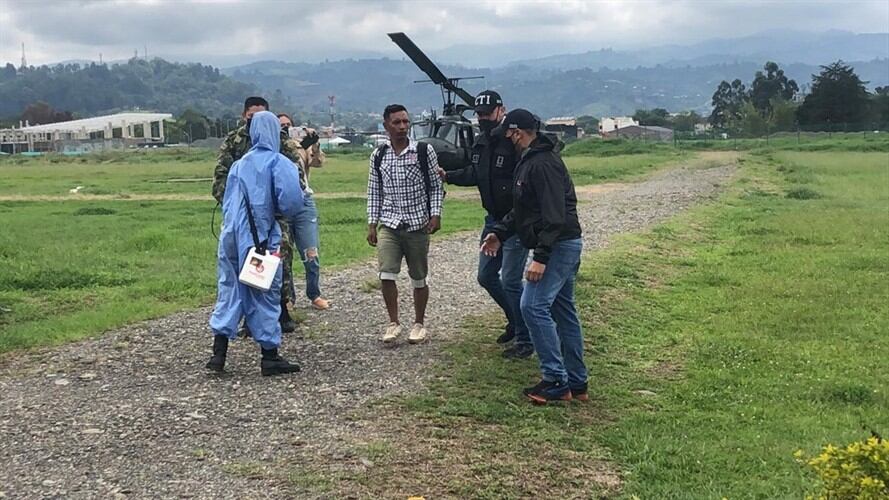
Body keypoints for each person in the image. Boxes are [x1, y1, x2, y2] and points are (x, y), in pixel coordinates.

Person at [481, 109, 587, 404]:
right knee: (562, 310)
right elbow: (524, 209)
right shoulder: (531, 161)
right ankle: (577, 382)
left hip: (558, 245)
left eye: (508, 134)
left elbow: (554, 216)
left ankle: (556, 380)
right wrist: (500, 233)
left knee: (532, 306)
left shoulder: (542, 164)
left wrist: (541, 257)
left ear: (517, 133)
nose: (506, 140)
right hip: (561, 244)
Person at [206, 111, 305, 376]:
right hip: (261, 238)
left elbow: (227, 201)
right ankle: (269, 356)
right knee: (265, 293)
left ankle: (218, 353)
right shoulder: (280, 163)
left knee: (229, 290)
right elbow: (292, 203)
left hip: (230, 237)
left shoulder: (239, 165)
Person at [438, 90, 533, 359]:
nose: (483, 118)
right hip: (492, 220)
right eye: (479, 114)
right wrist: (448, 176)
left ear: (501, 111)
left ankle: (526, 338)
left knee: (511, 280)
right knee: (486, 276)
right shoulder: (481, 141)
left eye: (487, 113)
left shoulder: (514, 141)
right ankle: (515, 319)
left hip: (515, 221)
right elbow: (476, 173)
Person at [367, 104, 444, 345]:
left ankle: (419, 324)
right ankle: (394, 322)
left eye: (405, 122)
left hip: (417, 224)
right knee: (386, 273)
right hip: (389, 224)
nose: (402, 127)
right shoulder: (379, 155)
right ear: (386, 125)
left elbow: (435, 186)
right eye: (397, 122)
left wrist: (435, 214)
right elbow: (374, 191)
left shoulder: (423, 151)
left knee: (419, 277)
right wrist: (372, 223)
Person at [277, 113, 330, 311]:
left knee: (311, 252)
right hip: (281, 203)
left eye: (288, 126)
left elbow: (318, 163)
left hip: (304, 200)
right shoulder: (274, 147)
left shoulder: (301, 146)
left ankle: (314, 293)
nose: (285, 129)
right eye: (281, 126)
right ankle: (288, 297)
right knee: (284, 254)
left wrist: (314, 143)